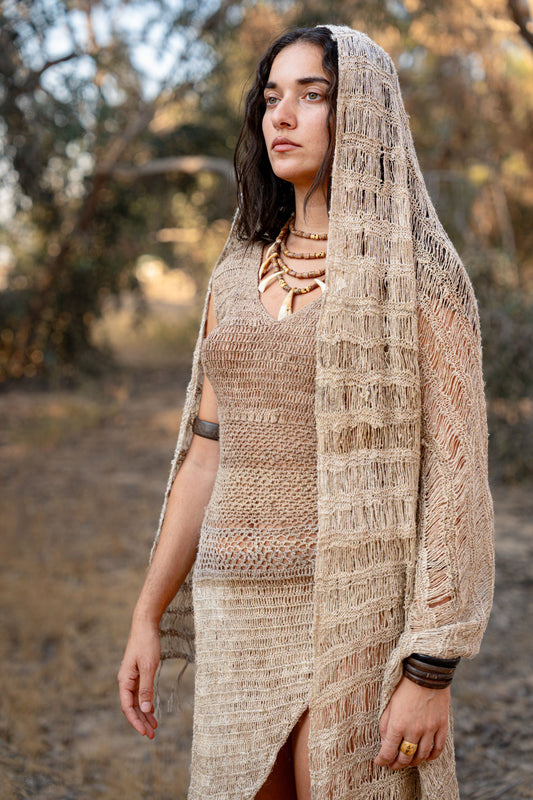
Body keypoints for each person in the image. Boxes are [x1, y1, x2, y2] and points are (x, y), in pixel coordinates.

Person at [118, 24, 494, 800]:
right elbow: (206, 453)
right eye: (270, 98)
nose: (281, 116)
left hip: (353, 610)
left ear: (362, 113)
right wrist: (147, 615)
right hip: (234, 608)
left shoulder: (420, 278)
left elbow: (456, 480)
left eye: (311, 95)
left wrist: (430, 667)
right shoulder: (233, 273)